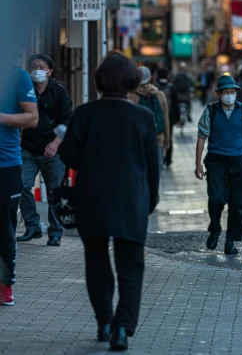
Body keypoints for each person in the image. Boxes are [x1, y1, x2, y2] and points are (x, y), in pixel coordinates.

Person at [59, 53, 160, 351]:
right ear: (131, 81)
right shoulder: (143, 117)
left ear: (100, 80)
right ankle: (122, 330)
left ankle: (104, 322)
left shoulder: (86, 113)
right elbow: (153, 164)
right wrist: (150, 200)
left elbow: (68, 155)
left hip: (92, 197)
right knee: (131, 266)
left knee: (97, 261)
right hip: (132, 198)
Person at [195, 73, 242, 255]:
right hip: (216, 159)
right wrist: (198, 164)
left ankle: (230, 241)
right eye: (226, 92)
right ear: (219, 94)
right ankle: (215, 227)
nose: (230, 95)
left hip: (238, 160)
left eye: (232, 91)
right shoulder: (211, 110)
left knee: (237, 203)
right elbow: (201, 137)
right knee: (216, 197)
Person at [17, 54, 73, 247]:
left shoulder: (59, 93)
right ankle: (32, 226)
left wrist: (56, 143)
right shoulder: (24, 90)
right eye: (33, 66)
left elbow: (68, 120)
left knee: (54, 192)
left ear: (50, 71)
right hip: (28, 149)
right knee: (21, 184)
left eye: (42, 67)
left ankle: (55, 232)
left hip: (53, 150)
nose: (37, 70)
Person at [0, 66, 38, 306]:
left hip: (5, 165)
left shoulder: (16, 75)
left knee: (4, 227)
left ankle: (5, 285)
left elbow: (32, 118)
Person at [128, 67, 170, 168]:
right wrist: (167, 140)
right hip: (157, 138)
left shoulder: (130, 96)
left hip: (137, 141)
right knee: (156, 168)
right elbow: (165, 119)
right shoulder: (160, 95)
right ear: (150, 78)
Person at [155, 68, 180, 169]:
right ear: (167, 76)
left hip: (156, 116)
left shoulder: (154, 88)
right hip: (169, 116)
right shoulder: (171, 88)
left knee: (157, 137)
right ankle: (168, 159)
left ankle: (159, 156)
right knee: (169, 136)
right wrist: (177, 119)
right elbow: (175, 104)